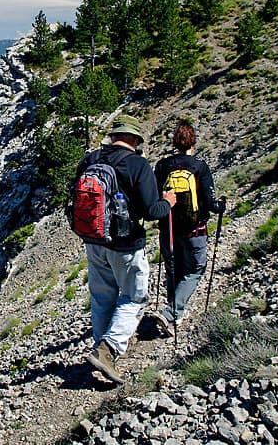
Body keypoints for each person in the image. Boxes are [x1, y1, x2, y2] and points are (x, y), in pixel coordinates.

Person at [76, 114, 174, 384]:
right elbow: (151, 210)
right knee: (134, 297)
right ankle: (107, 352)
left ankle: (101, 351)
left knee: (101, 297)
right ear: (133, 139)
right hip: (126, 244)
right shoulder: (137, 165)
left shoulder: (90, 160)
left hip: (93, 240)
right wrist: (168, 202)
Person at [153, 121, 226, 335]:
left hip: (169, 228)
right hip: (194, 230)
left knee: (173, 269)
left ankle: (171, 311)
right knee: (195, 269)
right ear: (193, 142)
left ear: (175, 143)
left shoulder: (163, 166)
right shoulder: (199, 167)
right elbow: (212, 203)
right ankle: (172, 313)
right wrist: (221, 205)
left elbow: (156, 196)